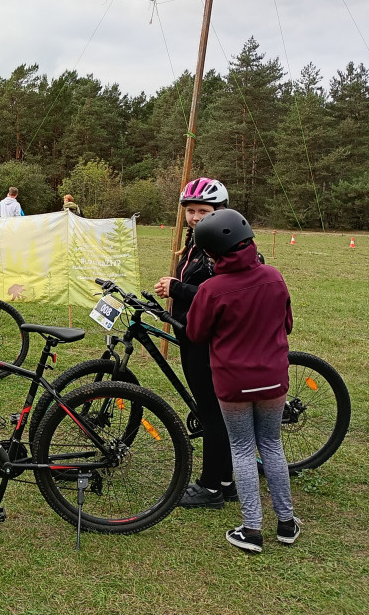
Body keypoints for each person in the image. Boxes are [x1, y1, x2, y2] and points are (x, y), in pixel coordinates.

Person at [186, 208, 299, 554]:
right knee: (272, 444)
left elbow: (195, 333)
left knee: (242, 450)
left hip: (233, 383)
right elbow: (288, 324)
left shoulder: (211, 289)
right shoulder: (274, 277)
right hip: (273, 379)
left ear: (211, 253)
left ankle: (252, 529)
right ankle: (286, 523)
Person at [153, 177, 235, 509]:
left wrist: (178, 289)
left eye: (203, 210)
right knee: (214, 411)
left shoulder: (221, 246)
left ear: (220, 210)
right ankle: (227, 481)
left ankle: (211, 487)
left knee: (212, 412)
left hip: (209, 339)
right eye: (190, 211)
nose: (196, 217)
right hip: (191, 332)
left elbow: (222, 294)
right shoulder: (195, 242)